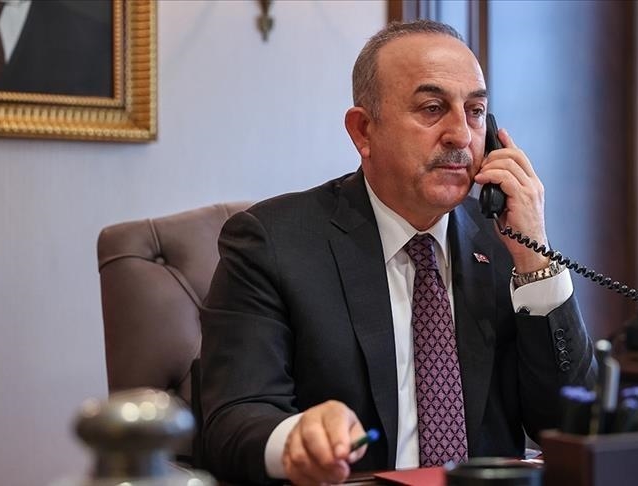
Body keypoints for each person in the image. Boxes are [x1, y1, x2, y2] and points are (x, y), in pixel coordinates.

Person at [200, 19, 597, 486]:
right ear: (363, 130)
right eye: (432, 108)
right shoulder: (271, 243)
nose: (460, 135)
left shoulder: (506, 242)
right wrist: (295, 440)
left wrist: (536, 262)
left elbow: (570, 426)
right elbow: (234, 419)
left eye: (474, 111)